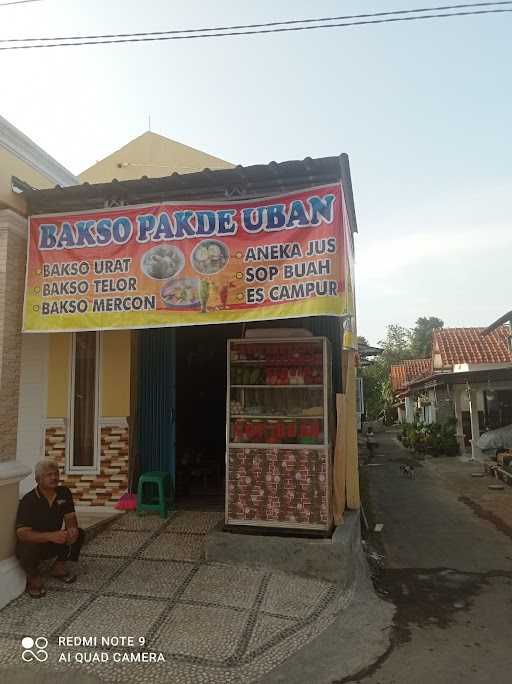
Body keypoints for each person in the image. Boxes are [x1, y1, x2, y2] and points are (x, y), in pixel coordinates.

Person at [15, 459, 84, 598]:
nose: (54, 477)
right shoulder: (29, 500)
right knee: (27, 548)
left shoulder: (64, 493)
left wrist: (72, 528)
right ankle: (33, 578)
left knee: (79, 533)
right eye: (49, 475)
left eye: (56, 474)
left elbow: (70, 517)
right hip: (35, 545)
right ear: (38, 479)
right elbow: (22, 534)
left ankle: (58, 568)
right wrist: (50, 536)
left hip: (54, 541)